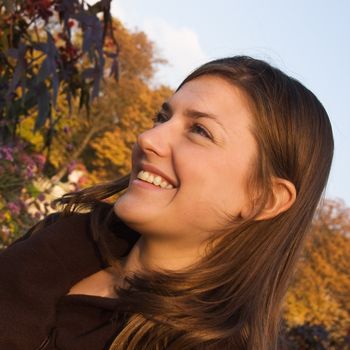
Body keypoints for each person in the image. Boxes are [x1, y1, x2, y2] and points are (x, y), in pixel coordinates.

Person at [0, 56, 334, 350]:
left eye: (200, 131)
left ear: (263, 198)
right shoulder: (62, 239)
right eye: (162, 117)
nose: (148, 138)